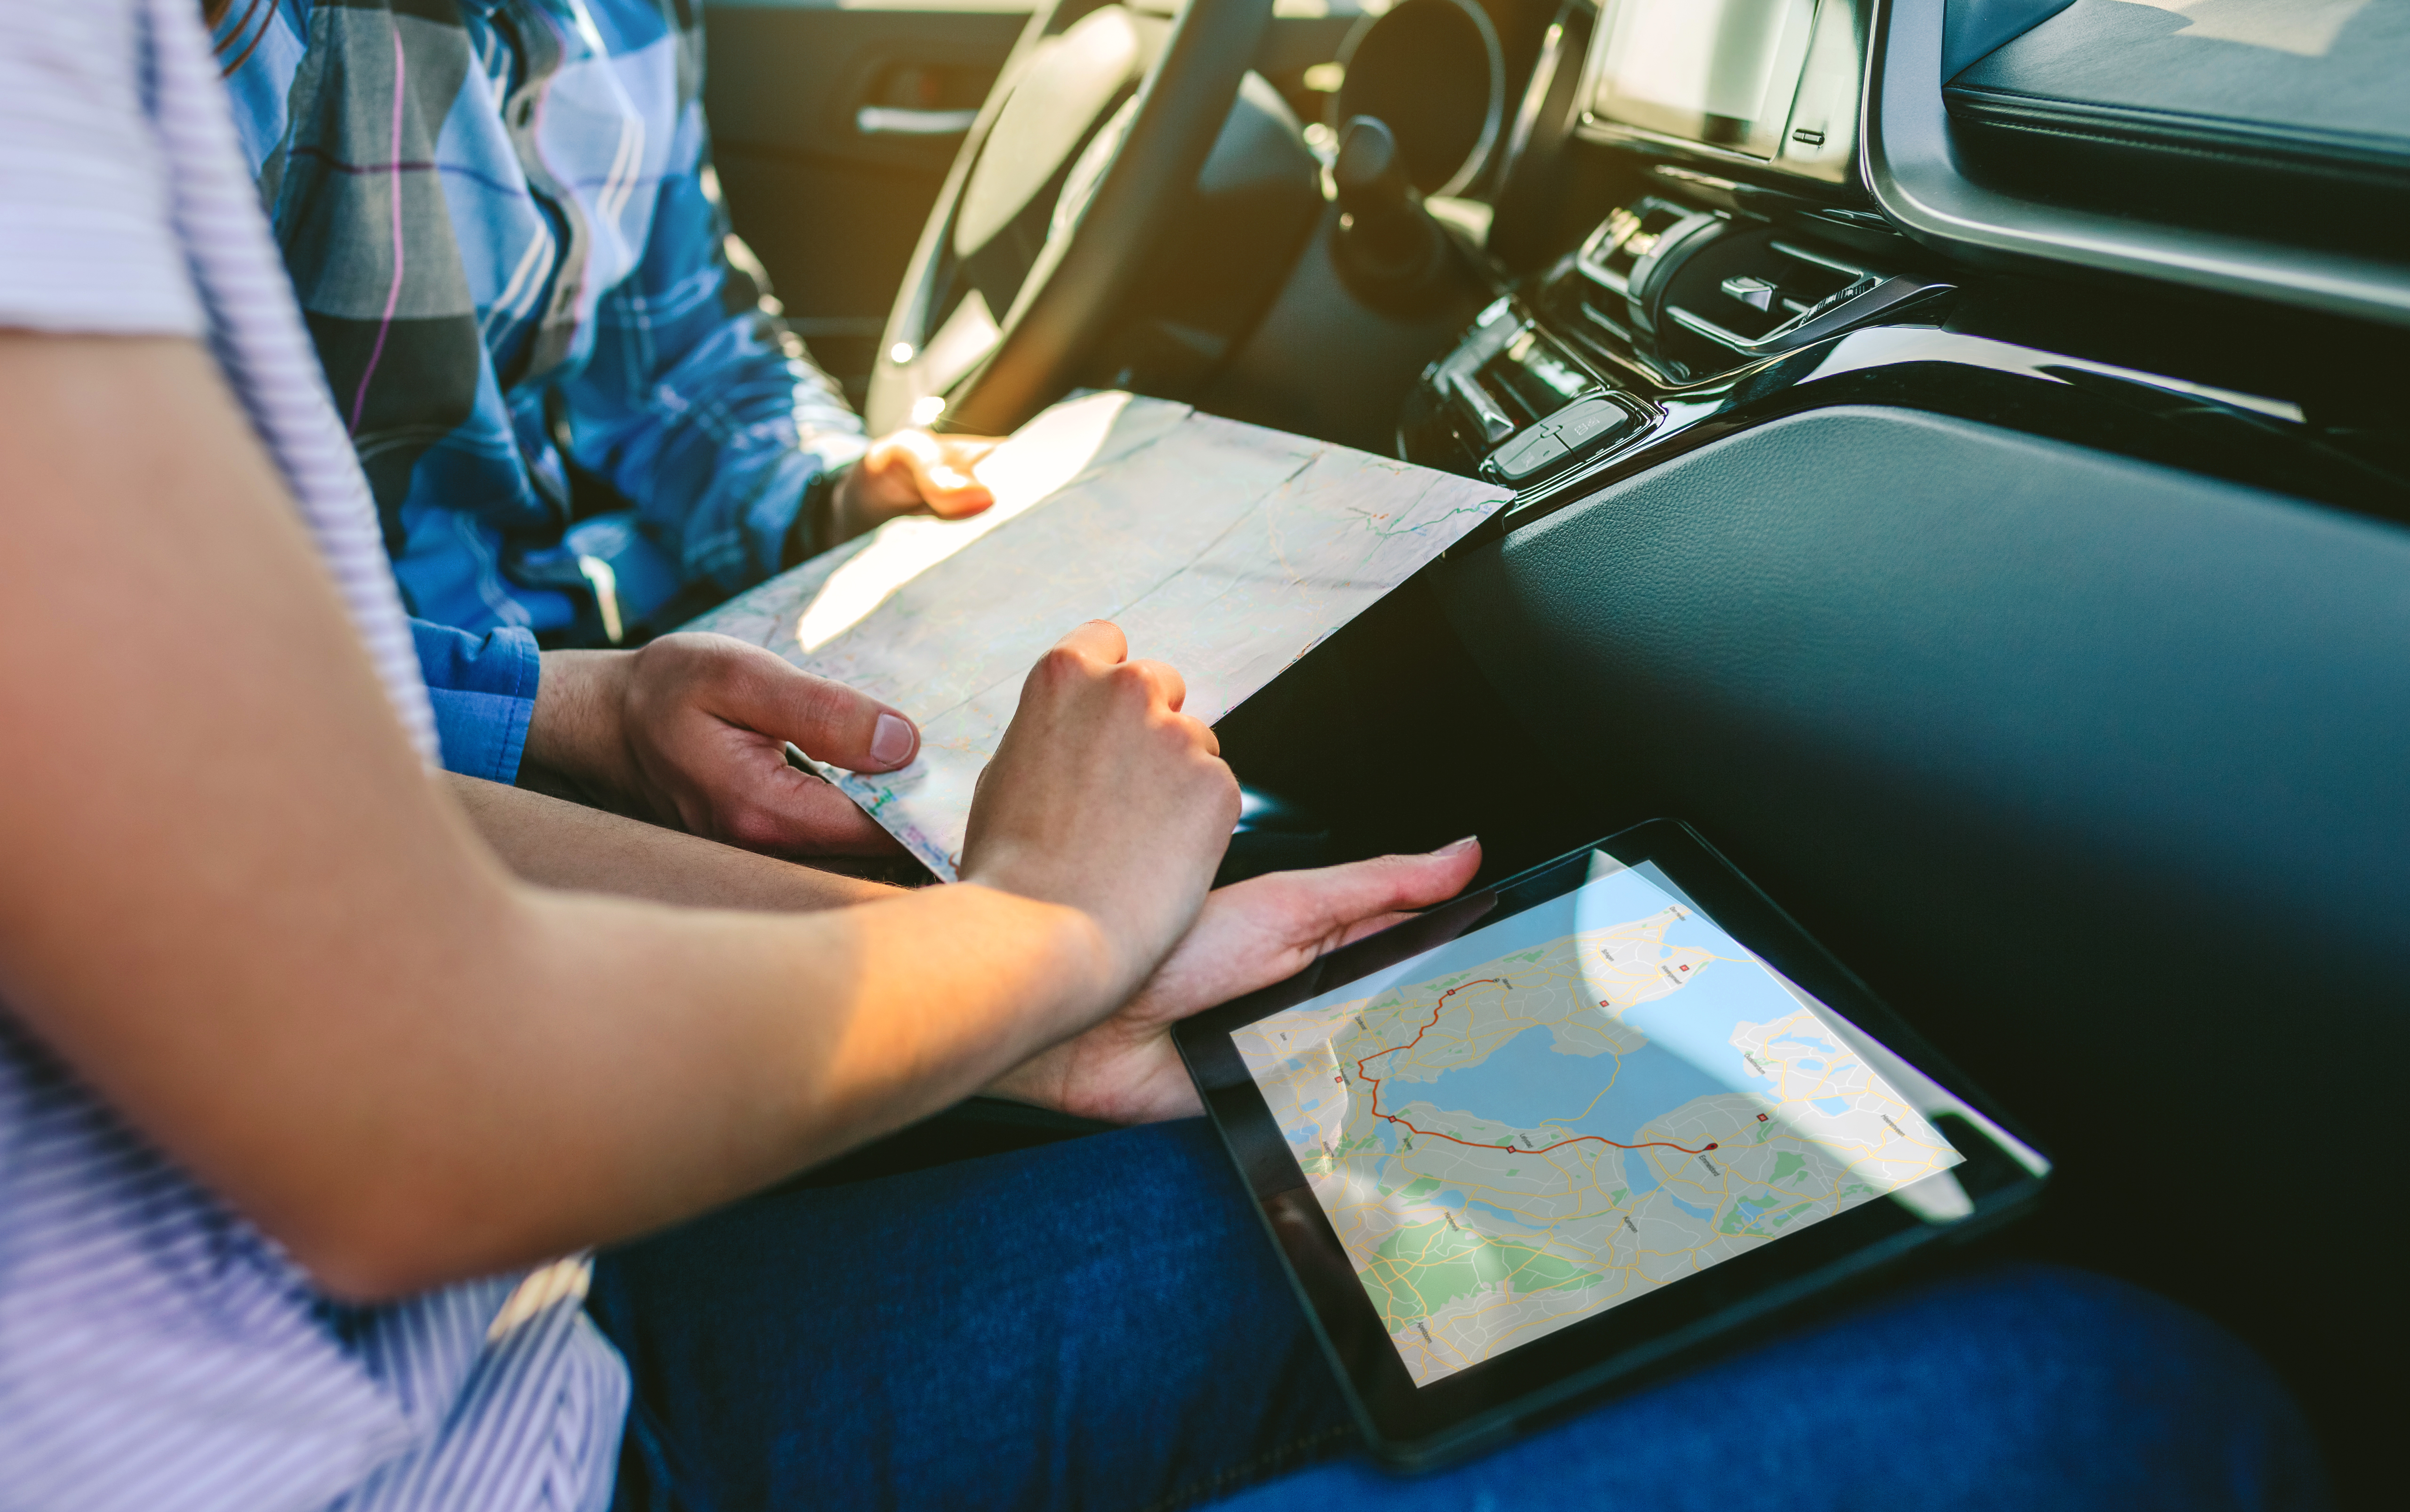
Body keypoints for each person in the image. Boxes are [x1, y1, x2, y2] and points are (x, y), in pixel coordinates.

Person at [0, 7, 2330, 1512]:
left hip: (503, 1358)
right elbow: (396, 1117)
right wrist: (1021, 931)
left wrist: (1056, 1011)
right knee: (2123, 1397)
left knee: (1738, 1129)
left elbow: (347, 807)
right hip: (403, 1412)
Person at [208, 0, 999, 647]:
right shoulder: (237, 45)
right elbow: (179, 612)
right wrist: (576, 717)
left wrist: (832, 494)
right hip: (349, 701)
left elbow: (680, 363)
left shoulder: (636, 20)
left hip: (557, 615)